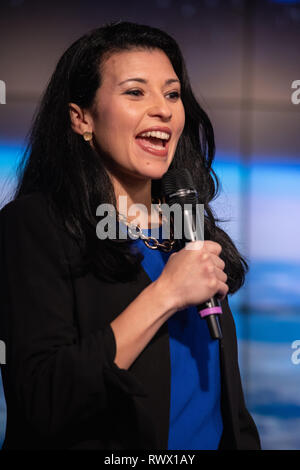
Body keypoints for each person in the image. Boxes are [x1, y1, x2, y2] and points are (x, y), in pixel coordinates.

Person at [0, 21, 260, 450]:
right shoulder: (34, 225)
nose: (163, 109)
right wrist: (166, 295)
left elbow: (226, 404)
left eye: (172, 93)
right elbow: (44, 399)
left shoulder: (190, 228)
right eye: (135, 92)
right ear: (81, 118)